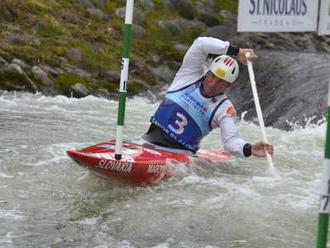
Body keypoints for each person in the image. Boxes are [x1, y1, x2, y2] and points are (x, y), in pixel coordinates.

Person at [141, 36, 273, 158]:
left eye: (221, 81)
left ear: (228, 85)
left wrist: (249, 149)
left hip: (179, 156)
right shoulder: (188, 76)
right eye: (212, 76)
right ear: (208, 72)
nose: (213, 83)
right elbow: (200, 43)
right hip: (146, 143)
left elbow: (230, 141)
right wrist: (236, 51)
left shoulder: (224, 109)